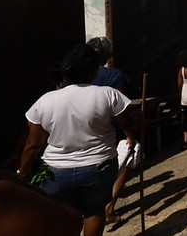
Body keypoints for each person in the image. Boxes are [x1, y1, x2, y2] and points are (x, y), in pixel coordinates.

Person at [18, 43, 137, 236]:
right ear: (94, 71)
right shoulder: (108, 94)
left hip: (52, 169)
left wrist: (23, 173)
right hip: (99, 165)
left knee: (58, 216)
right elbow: (127, 124)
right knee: (94, 212)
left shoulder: (45, 100)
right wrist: (138, 126)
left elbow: (33, 145)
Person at [87, 36, 132, 225]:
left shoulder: (73, 77)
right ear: (106, 57)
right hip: (111, 131)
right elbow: (120, 109)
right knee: (123, 166)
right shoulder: (114, 76)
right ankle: (108, 210)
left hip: (85, 131)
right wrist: (131, 133)